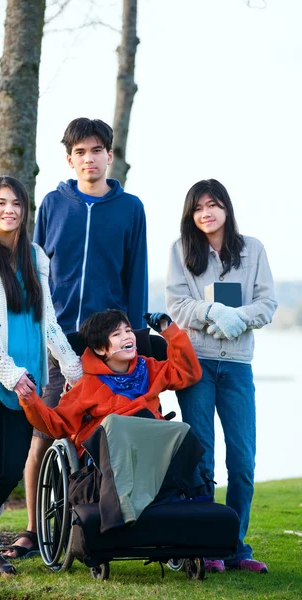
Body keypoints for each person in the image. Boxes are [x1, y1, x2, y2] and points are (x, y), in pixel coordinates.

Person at [4, 117, 148, 559]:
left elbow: (136, 276)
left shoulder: (130, 208)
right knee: (43, 432)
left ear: (109, 154)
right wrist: (33, 332)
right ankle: (31, 529)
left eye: (96, 150)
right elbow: (34, 271)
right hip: (56, 339)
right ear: (70, 159)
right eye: (80, 152)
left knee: (111, 433)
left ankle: (105, 520)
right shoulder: (52, 204)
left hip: (107, 346)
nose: (89, 158)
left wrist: (133, 339)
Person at [0, 176, 82, 575]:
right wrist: (7, 371)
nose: (9, 210)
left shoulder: (37, 257)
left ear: (26, 211)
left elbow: (50, 323)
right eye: (1, 203)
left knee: (12, 465)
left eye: (17, 204)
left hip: (28, 377)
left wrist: (73, 367)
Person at [165, 178, 277, 574]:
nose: (205, 214)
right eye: (198, 208)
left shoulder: (253, 250)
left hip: (237, 367)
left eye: (213, 205)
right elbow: (177, 305)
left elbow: (267, 303)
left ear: (226, 209)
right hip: (197, 364)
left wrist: (237, 318)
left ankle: (235, 549)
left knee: (243, 462)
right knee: (202, 460)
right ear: (190, 215)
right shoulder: (182, 252)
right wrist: (212, 313)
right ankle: (205, 547)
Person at [18, 309, 202, 453]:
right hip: (111, 450)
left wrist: (170, 331)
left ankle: (192, 491)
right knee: (131, 421)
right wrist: (30, 398)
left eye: (128, 330)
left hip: (152, 441)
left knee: (183, 432)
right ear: (100, 349)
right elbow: (58, 424)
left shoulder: (149, 368)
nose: (128, 336)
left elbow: (187, 373)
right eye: (117, 334)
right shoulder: (89, 384)